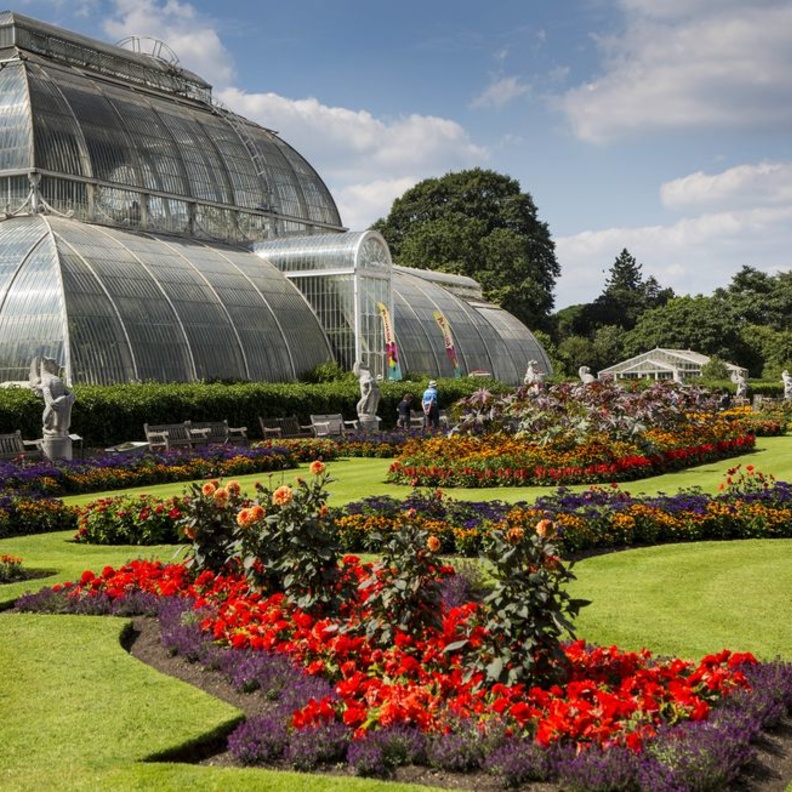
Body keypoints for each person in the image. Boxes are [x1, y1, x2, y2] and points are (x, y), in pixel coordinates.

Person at [29, 356, 76, 436]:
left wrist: (71, 395)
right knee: (54, 412)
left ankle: (62, 429)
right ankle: (47, 429)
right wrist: (51, 402)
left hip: (61, 406)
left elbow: (64, 390)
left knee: (63, 403)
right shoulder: (46, 378)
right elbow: (46, 390)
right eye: (53, 363)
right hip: (52, 407)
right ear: (45, 364)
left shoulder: (55, 378)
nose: (56, 365)